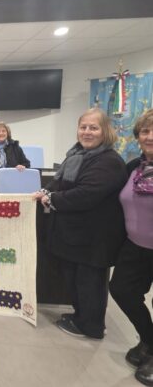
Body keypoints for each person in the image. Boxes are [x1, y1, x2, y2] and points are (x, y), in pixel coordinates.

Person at [33, 108, 127, 340]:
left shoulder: (109, 161)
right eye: (83, 127)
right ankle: (80, 317)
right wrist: (46, 190)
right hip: (75, 235)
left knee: (89, 284)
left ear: (105, 131)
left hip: (93, 238)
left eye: (93, 128)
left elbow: (85, 195)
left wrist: (51, 199)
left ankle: (92, 327)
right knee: (76, 280)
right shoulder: (77, 155)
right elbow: (59, 182)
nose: (87, 132)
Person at [109, 109, 153, 383]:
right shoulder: (134, 167)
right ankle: (149, 339)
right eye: (145, 131)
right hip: (135, 245)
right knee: (121, 290)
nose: (150, 137)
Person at [0, 122, 31, 193]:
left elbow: (27, 163)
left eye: (3, 131)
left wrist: (22, 166)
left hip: (10, 182)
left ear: (7, 133)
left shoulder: (15, 146)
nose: (1, 133)